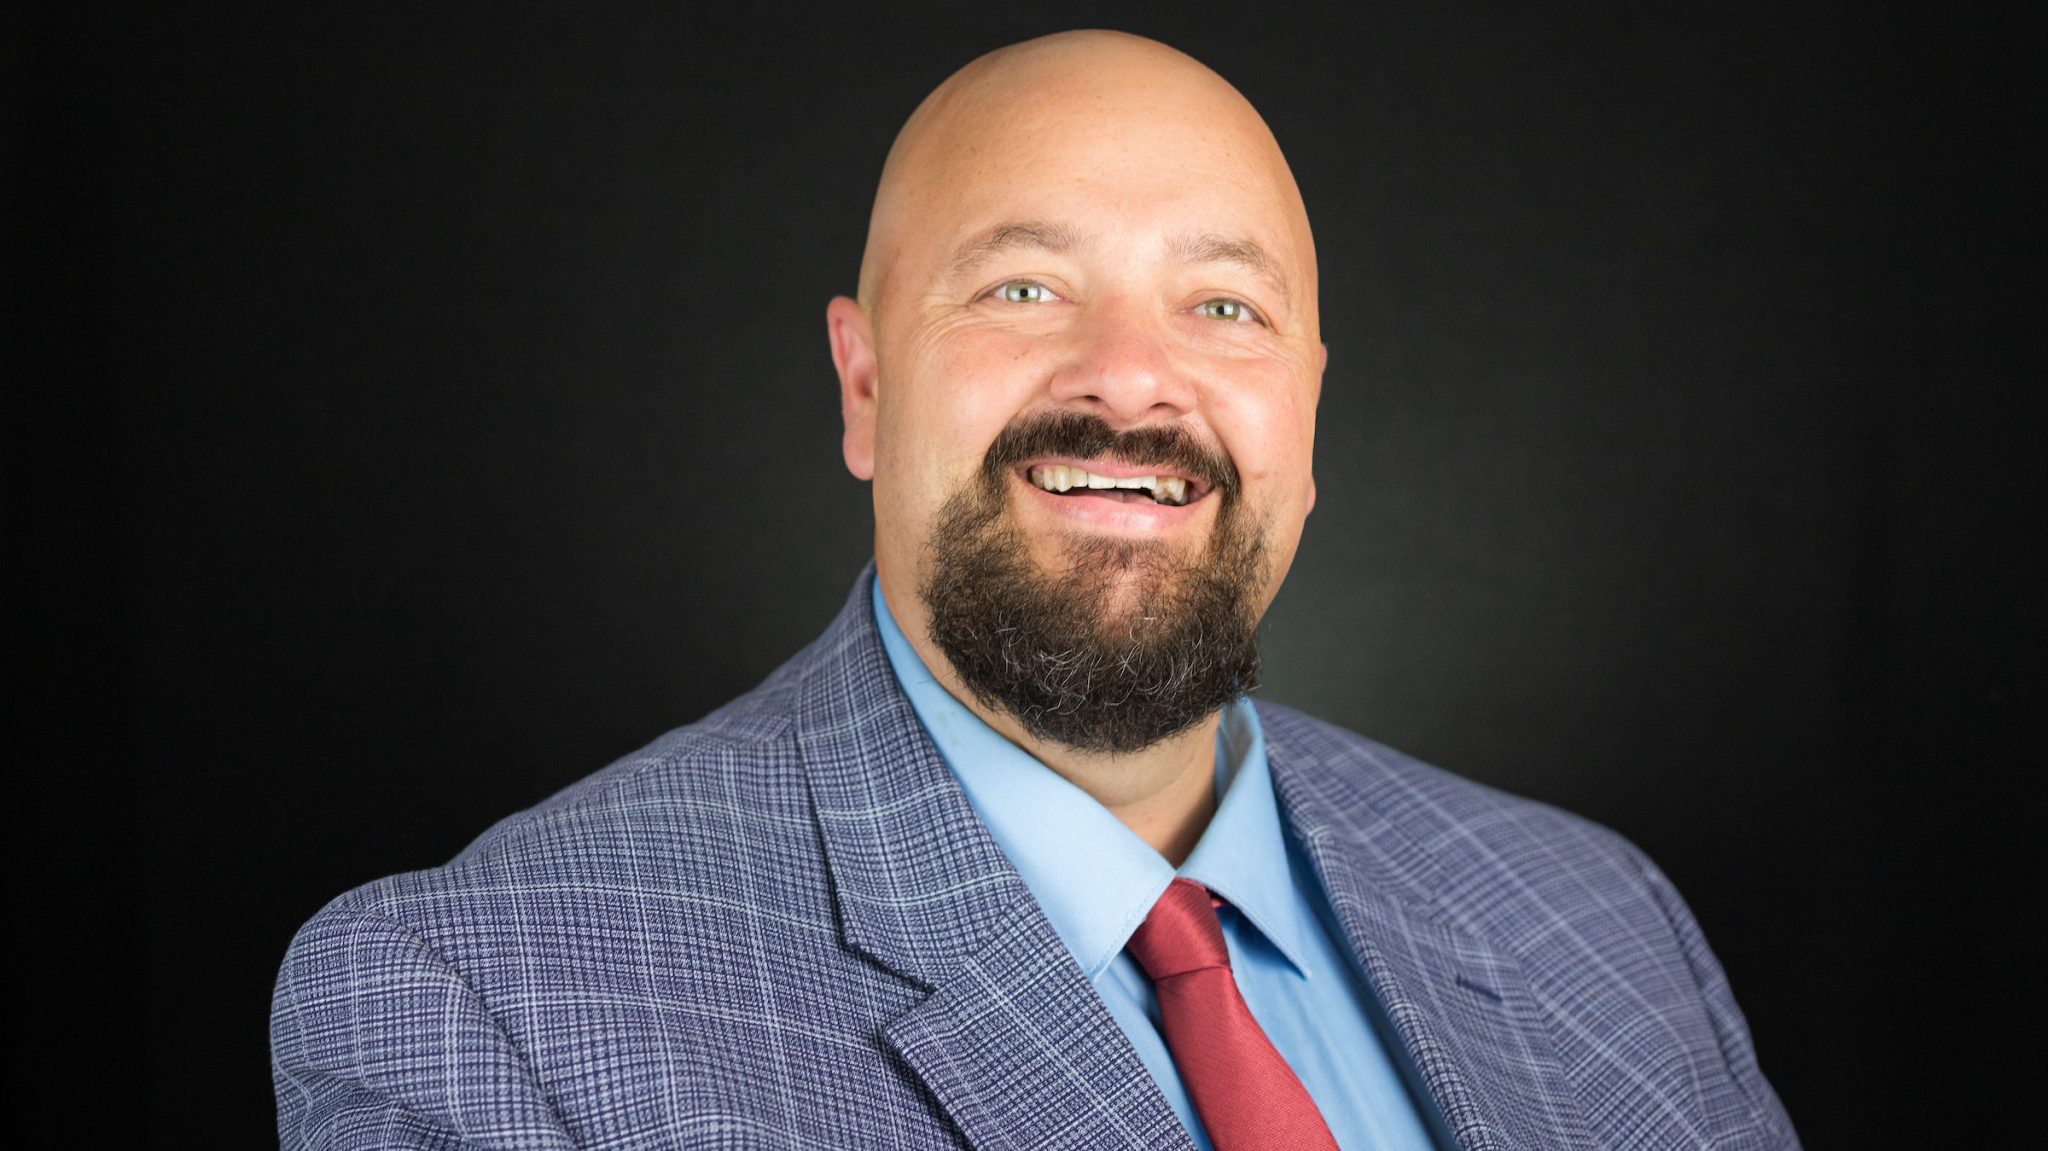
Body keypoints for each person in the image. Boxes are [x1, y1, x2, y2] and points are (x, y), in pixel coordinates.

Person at [271, 30, 1798, 1150]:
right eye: (1023, 286)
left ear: (1310, 419)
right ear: (863, 389)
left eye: (1224, 306)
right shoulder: (486, 1012)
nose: (1134, 378)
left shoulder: (1598, 920)